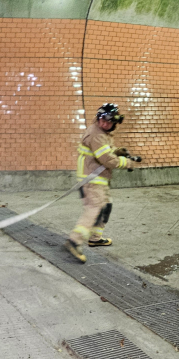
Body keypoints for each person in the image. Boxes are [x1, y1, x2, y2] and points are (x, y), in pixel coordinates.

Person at [65, 103, 143, 263]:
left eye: (109, 121)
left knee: (106, 206)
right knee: (93, 209)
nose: (105, 123)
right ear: (99, 117)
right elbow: (107, 160)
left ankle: (95, 238)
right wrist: (127, 163)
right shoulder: (97, 134)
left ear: (115, 123)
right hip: (91, 180)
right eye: (103, 120)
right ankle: (74, 241)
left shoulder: (102, 133)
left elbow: (105, 152)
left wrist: (117, 151)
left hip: (98, 178)